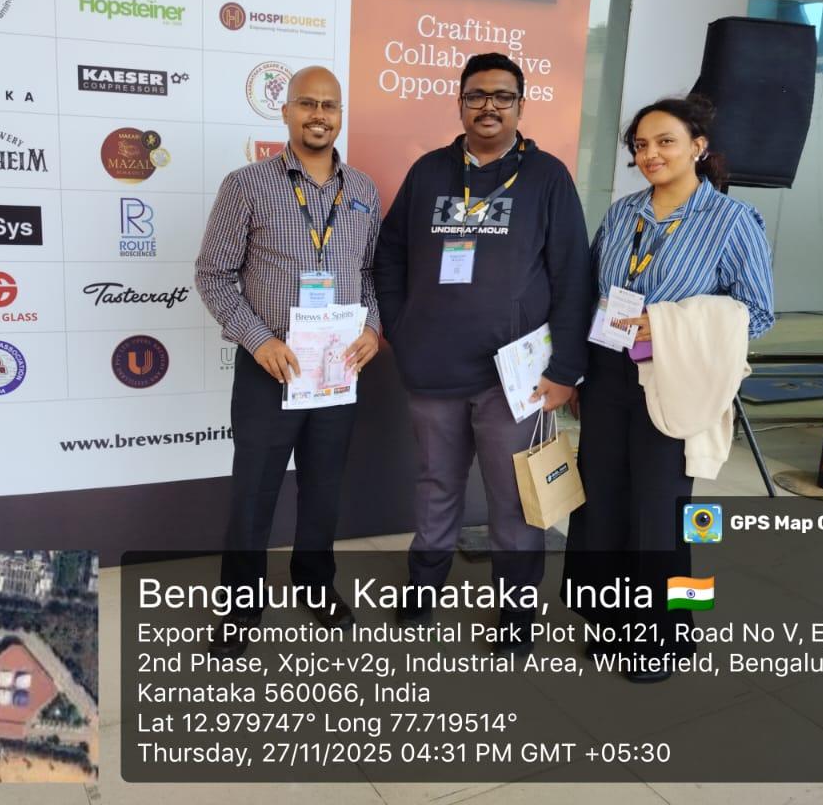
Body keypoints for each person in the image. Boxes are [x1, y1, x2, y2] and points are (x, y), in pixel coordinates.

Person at [375, 52, 591, 653]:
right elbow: (389, 254)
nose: (488, 106)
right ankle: (423, 589)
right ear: (460, 103)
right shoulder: (428, 172)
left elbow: (573, 276)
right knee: (436, 485)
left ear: (521, 104)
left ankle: (517, 612)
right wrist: (401, 326)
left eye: (502, 96)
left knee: (515, 497)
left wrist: (565, 369)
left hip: (513, 377)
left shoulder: (547, 177)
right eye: (476, 95)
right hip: (433, 367)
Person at [564, 94, 774, 682]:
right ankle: (611, 623)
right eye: (641, 145)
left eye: (665, 142)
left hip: (672, 381)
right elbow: (593, 292)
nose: (650, 154)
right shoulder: (623, 213)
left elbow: (757, 313)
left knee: (662, 511)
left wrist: (671, 324)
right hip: (608, 376)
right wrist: (577, 371)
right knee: (603, 501)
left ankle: (666, 635)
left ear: (698, 147)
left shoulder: (732, 220)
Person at [195, 66, 381, 657]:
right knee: (254, 495)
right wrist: (258, 340)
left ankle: (315, 582)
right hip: (270, 367)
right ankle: (240, 608)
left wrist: (372, 328)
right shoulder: (246, 185)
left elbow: (370, 274)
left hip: (337, 369)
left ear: (341, 114)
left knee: (324, 489)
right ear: (286, 111)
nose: (319, 115)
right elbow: (213, 275)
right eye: (307, 103)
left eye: (329, 105)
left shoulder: (364, 190)